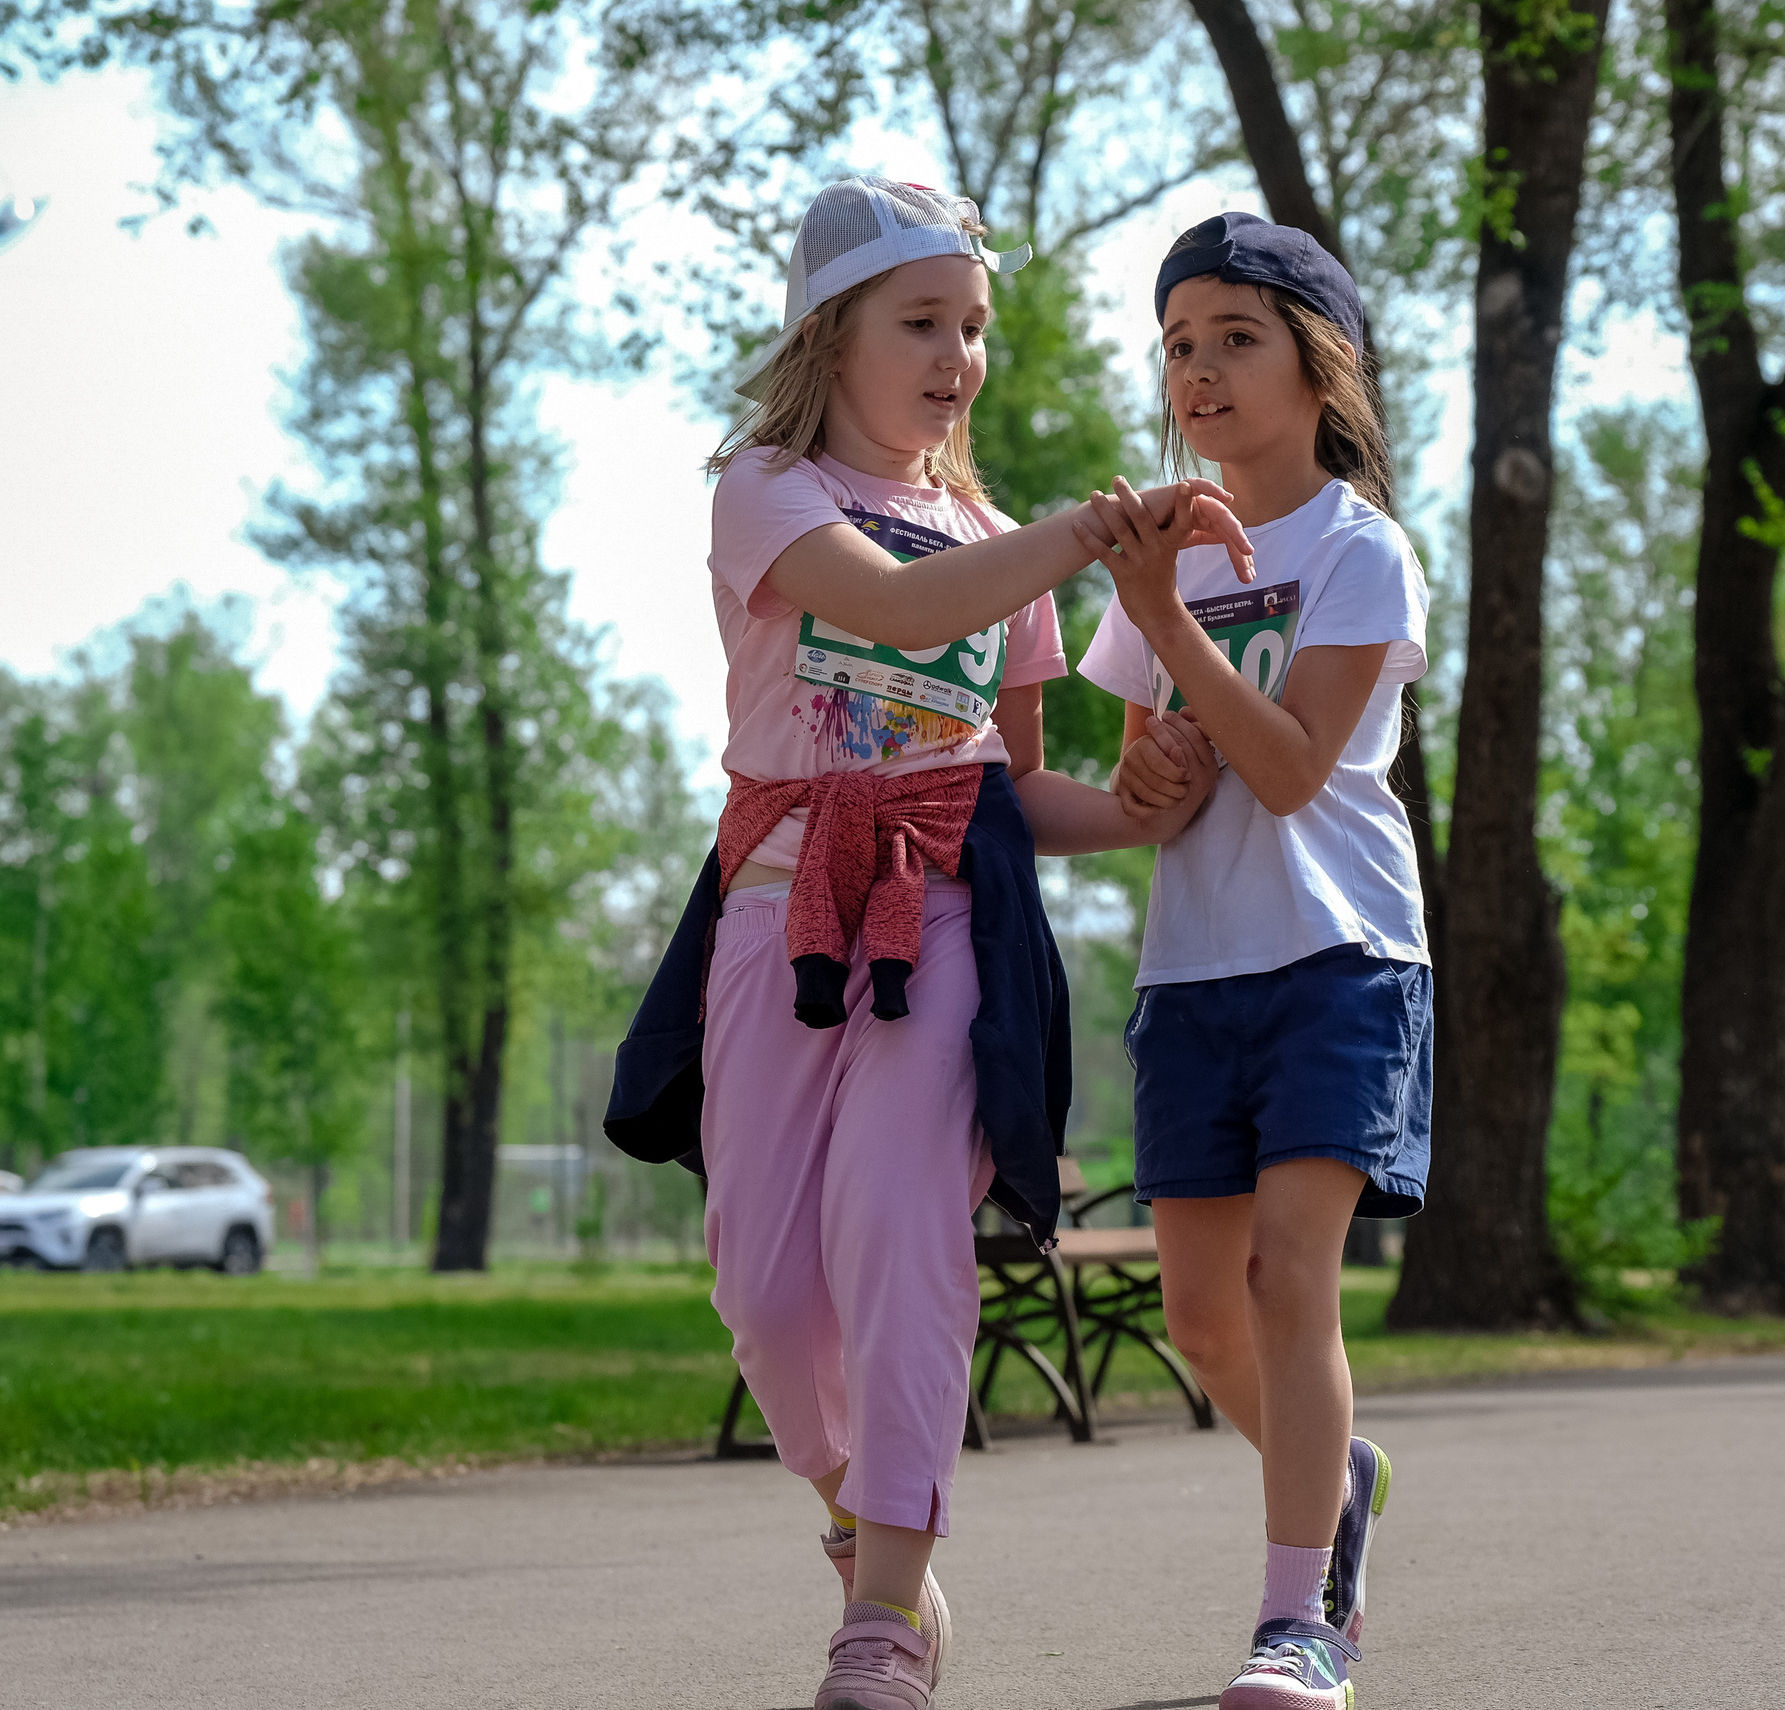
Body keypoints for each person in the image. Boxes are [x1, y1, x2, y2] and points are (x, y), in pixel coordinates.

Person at [603, 176, 1248, 1710]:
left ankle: (883, 1616)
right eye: (923, 321)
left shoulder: (990, 536)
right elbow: (894, 615)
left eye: (975, 326)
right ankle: (859, 1521)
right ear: (833, 334)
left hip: (942, 925)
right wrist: (1086, 533)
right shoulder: (768, 490)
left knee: (899, 1233)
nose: (959, 355)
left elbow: (1014, 789)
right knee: (763, 1288)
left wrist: (1145, 803)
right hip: (775, 922)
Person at [1073, 212, 1431, 1710]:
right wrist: (1145, 776)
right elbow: (1142, 779)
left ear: (1316, 361)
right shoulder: (1156, 551)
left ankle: (1303, 1621)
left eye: (1236, 338)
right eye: (1178, 345)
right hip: (1193, 970)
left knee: (1294, 1277)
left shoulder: (1359, 549)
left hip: (1341, 954)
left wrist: (1170, 619)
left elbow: (1289, 769)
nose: (1201, 371)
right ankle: (1331, 1468)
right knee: (1203, 1316)